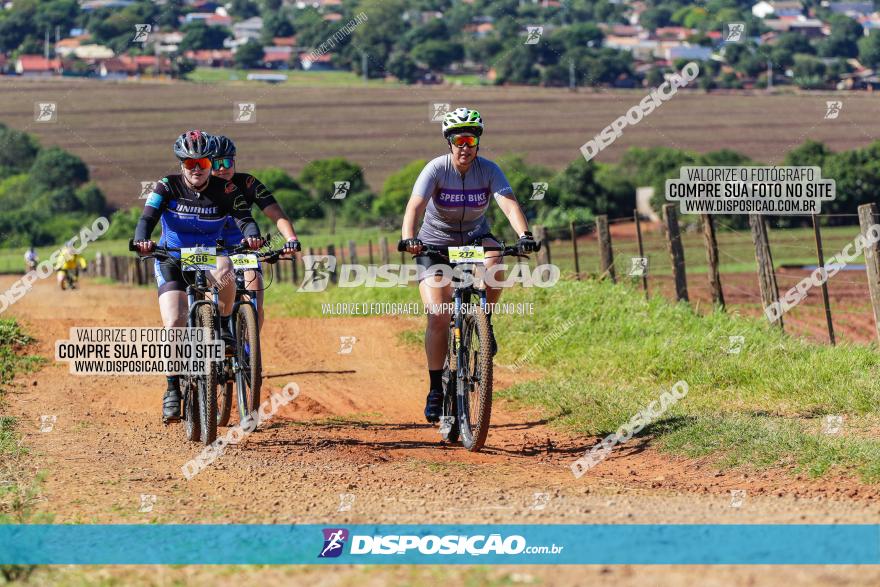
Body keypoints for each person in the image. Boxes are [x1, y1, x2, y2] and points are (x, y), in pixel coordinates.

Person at [399, 107, 538, 423]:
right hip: (434, 244)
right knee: (438, 315)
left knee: (497, 261)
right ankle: (435, 389)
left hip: (475, 238)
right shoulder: (436, 169)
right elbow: (415, 206)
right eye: (459, 140)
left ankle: (484, 322)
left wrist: (524, 233)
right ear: (449, 142)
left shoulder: (489, 170)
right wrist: (409, 238)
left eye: (471, 140)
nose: (465, 147)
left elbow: (508, 202)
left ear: (478, 142)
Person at [132, 130, 263, 423]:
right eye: (189, 163)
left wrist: (252, 236)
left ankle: (226, 327)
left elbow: (245, 218)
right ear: (181, 164)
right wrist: (142, 239)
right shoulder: (166, 186)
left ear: (209, 164)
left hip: (207, 253)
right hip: (172, 257)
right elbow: (147, 219)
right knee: (175, 320)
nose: (196, 169)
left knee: (226, 270)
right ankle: (172, 388)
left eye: (202, 163)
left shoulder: (225, 190)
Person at [210, 135, 301, 329]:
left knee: (255, 299)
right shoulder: (202, 188)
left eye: (227, 161)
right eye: (215, 164)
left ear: (234, 161)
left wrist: (291, 239)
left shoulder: (248, 183)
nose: (222, 168)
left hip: (242, 248)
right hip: (210, 251)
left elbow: (276, 213)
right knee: (211, 301)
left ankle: (249, 351)